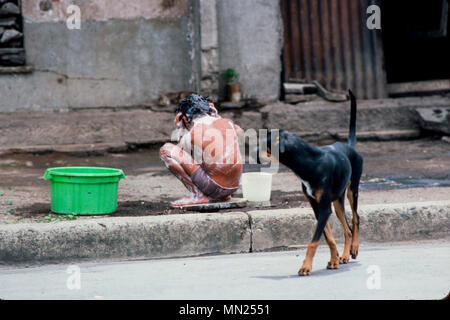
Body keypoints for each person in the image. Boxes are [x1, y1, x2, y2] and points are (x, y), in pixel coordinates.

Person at [159, 94, 243, 207]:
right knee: (209, 154)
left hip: (214, 187)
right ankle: (224, 195)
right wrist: (217, 117)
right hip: (233, 187)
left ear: (183, 118)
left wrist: (180, 128)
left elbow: (180, 156)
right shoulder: (228, 122)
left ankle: (196, 194)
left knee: (166, 150)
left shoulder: (192, 133)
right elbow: (239, 132)